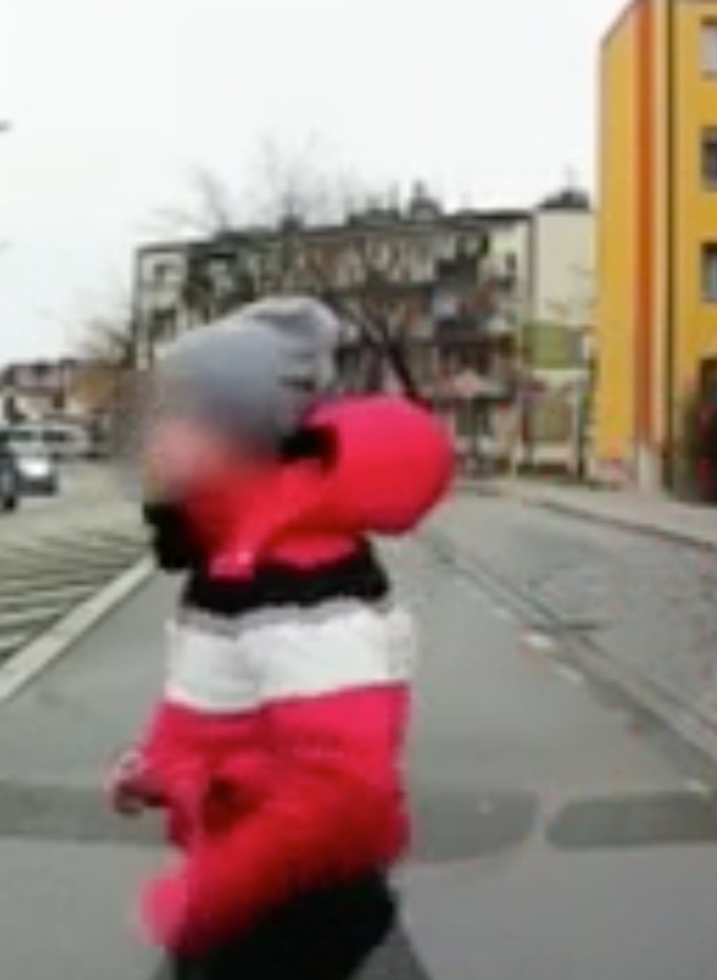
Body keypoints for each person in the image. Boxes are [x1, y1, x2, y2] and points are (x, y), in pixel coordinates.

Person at [108, 295, 454, 979]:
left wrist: (208, 895)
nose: (153, 439)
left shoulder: (299, 574)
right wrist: (164, 772)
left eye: (174, 417)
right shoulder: (239, 556)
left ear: (236, 437)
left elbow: (343, 797)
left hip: (296, 921)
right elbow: (241, 722)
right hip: (269, 911)